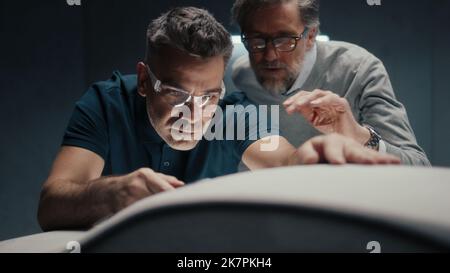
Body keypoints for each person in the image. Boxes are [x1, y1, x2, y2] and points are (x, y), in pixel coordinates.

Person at [38, 7, 399, 231]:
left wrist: (310, 158)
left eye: (209, 95)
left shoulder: (233, 113)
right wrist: (112, 192)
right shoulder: (107, 103)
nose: (195, 114)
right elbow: (51, 205)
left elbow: (284, 159)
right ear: (145, 80)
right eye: (177, 94)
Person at [231, 0, 430, 165]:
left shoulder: (358, 70)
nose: (269, 55)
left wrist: (359, 136)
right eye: (256, 40)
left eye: (284, 40)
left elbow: (419, 166)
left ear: (311, 36)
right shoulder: (242, 74)